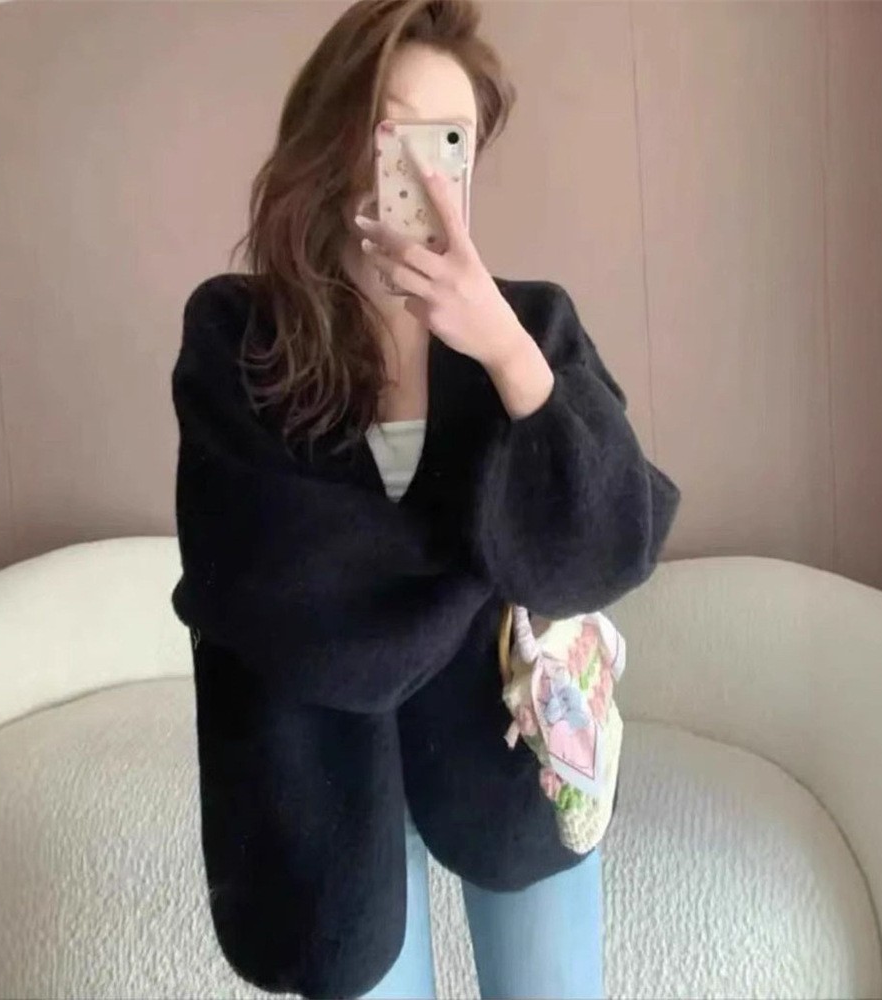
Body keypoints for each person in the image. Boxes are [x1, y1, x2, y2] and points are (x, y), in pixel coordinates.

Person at [170, 2, 682, 998]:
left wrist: (507, 356)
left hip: (510, 764)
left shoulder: (528, 327)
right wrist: (494, 558)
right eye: (395, 133)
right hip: (318, 786)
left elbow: (613, 544)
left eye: (452, 144)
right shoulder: (238, 339)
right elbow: (288, 592)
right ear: (331, 138)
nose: (424, 173)